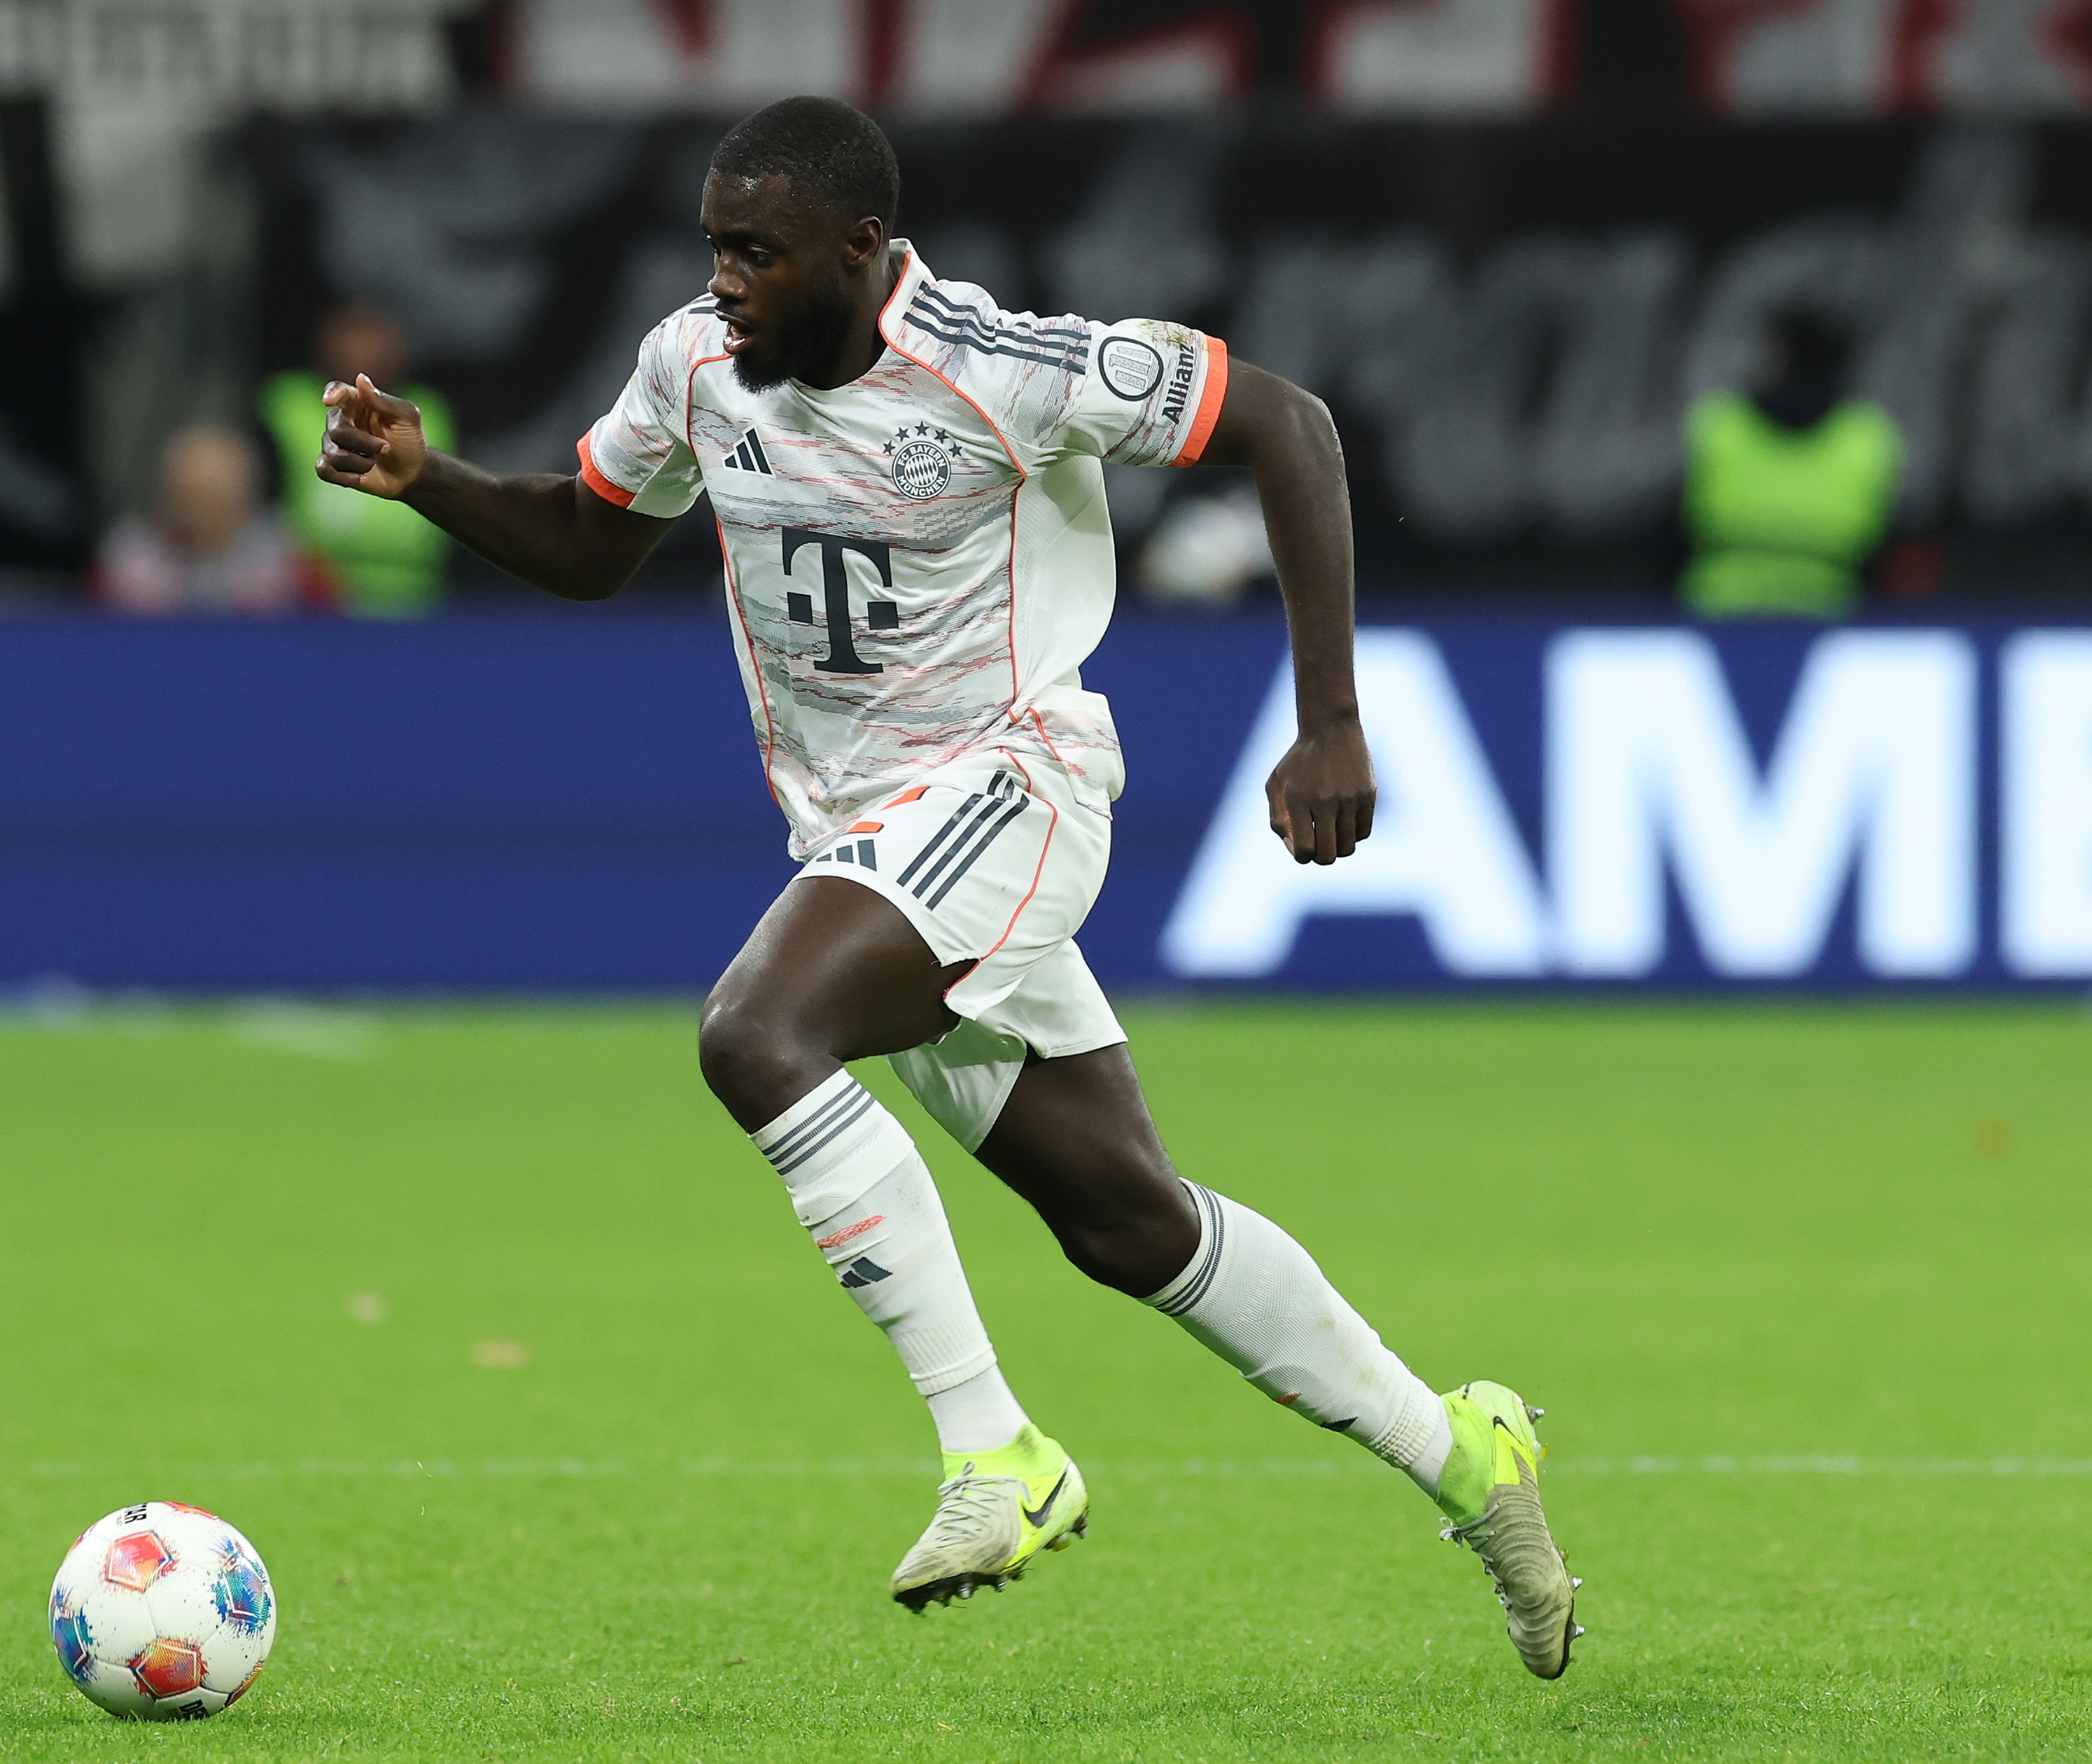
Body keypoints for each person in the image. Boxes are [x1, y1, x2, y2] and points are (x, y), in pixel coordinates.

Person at [315, 97, 1580, 1679]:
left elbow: (1293, 425)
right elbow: (589, 543)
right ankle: (1466, 1456)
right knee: (1128, 1225)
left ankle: (998, 1456)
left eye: (758, 254)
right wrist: (430, 477)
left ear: (861, 250)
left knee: (757, 1034)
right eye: (715, 247)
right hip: (860, 840)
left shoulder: (1006, 368)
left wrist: (1329, 719)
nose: (725, 282)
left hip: (1015, 785)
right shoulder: (693, 368)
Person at [1680, 310, 1902, 620]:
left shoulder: (1719, 425)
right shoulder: (1867, 439)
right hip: (1829, 619)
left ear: (1778, 357)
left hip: (1720, 617)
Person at [262, 304, 456, 617]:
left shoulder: (429, 411)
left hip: (416, 603)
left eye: (374, 337)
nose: (362, 352)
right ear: (324, 344)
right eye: (351, 336)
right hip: (311, 603)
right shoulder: (287, 402)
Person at [97, 423, 323, 616]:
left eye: (213, 497)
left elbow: (328, 638)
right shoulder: (129, 562)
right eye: (189, 496)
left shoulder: (288, 561)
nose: (199, 512)